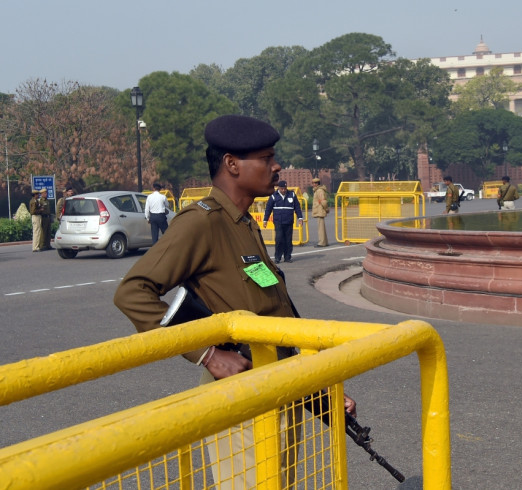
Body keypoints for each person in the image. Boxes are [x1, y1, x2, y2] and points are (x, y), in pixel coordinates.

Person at [114, 114, 355, 488]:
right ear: (231, 164)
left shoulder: (244, 223)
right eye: (266, 158)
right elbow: (132, 292)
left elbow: (274, 312)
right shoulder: (202, 223)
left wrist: (316, 383)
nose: (276, 167)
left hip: (277, 383)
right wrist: (208, 355)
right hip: (239, 393)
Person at [264, 180, 303, 263]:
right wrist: (265, 220)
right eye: (282, 189)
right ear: (279, 188)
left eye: (285, 188)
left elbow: (297, 207)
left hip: (289, 221)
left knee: (288, 240)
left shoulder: (292, 195)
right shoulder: (274, 196)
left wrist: (300, 218)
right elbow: (268, 209)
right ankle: (277, 257)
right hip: (278, 222)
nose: (284, 190)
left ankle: (287, 257)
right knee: (279, 239)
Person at [311, 178, 329, 247]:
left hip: (320, 210)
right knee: (322, 228)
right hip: (319, 210)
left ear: (317, 184)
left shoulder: (319, 191)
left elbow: (323, 201)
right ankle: (325, 242)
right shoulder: (318, 190)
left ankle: (322, 242)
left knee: (320, 228)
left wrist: (326, 209)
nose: (313, 185)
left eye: (314, 183)